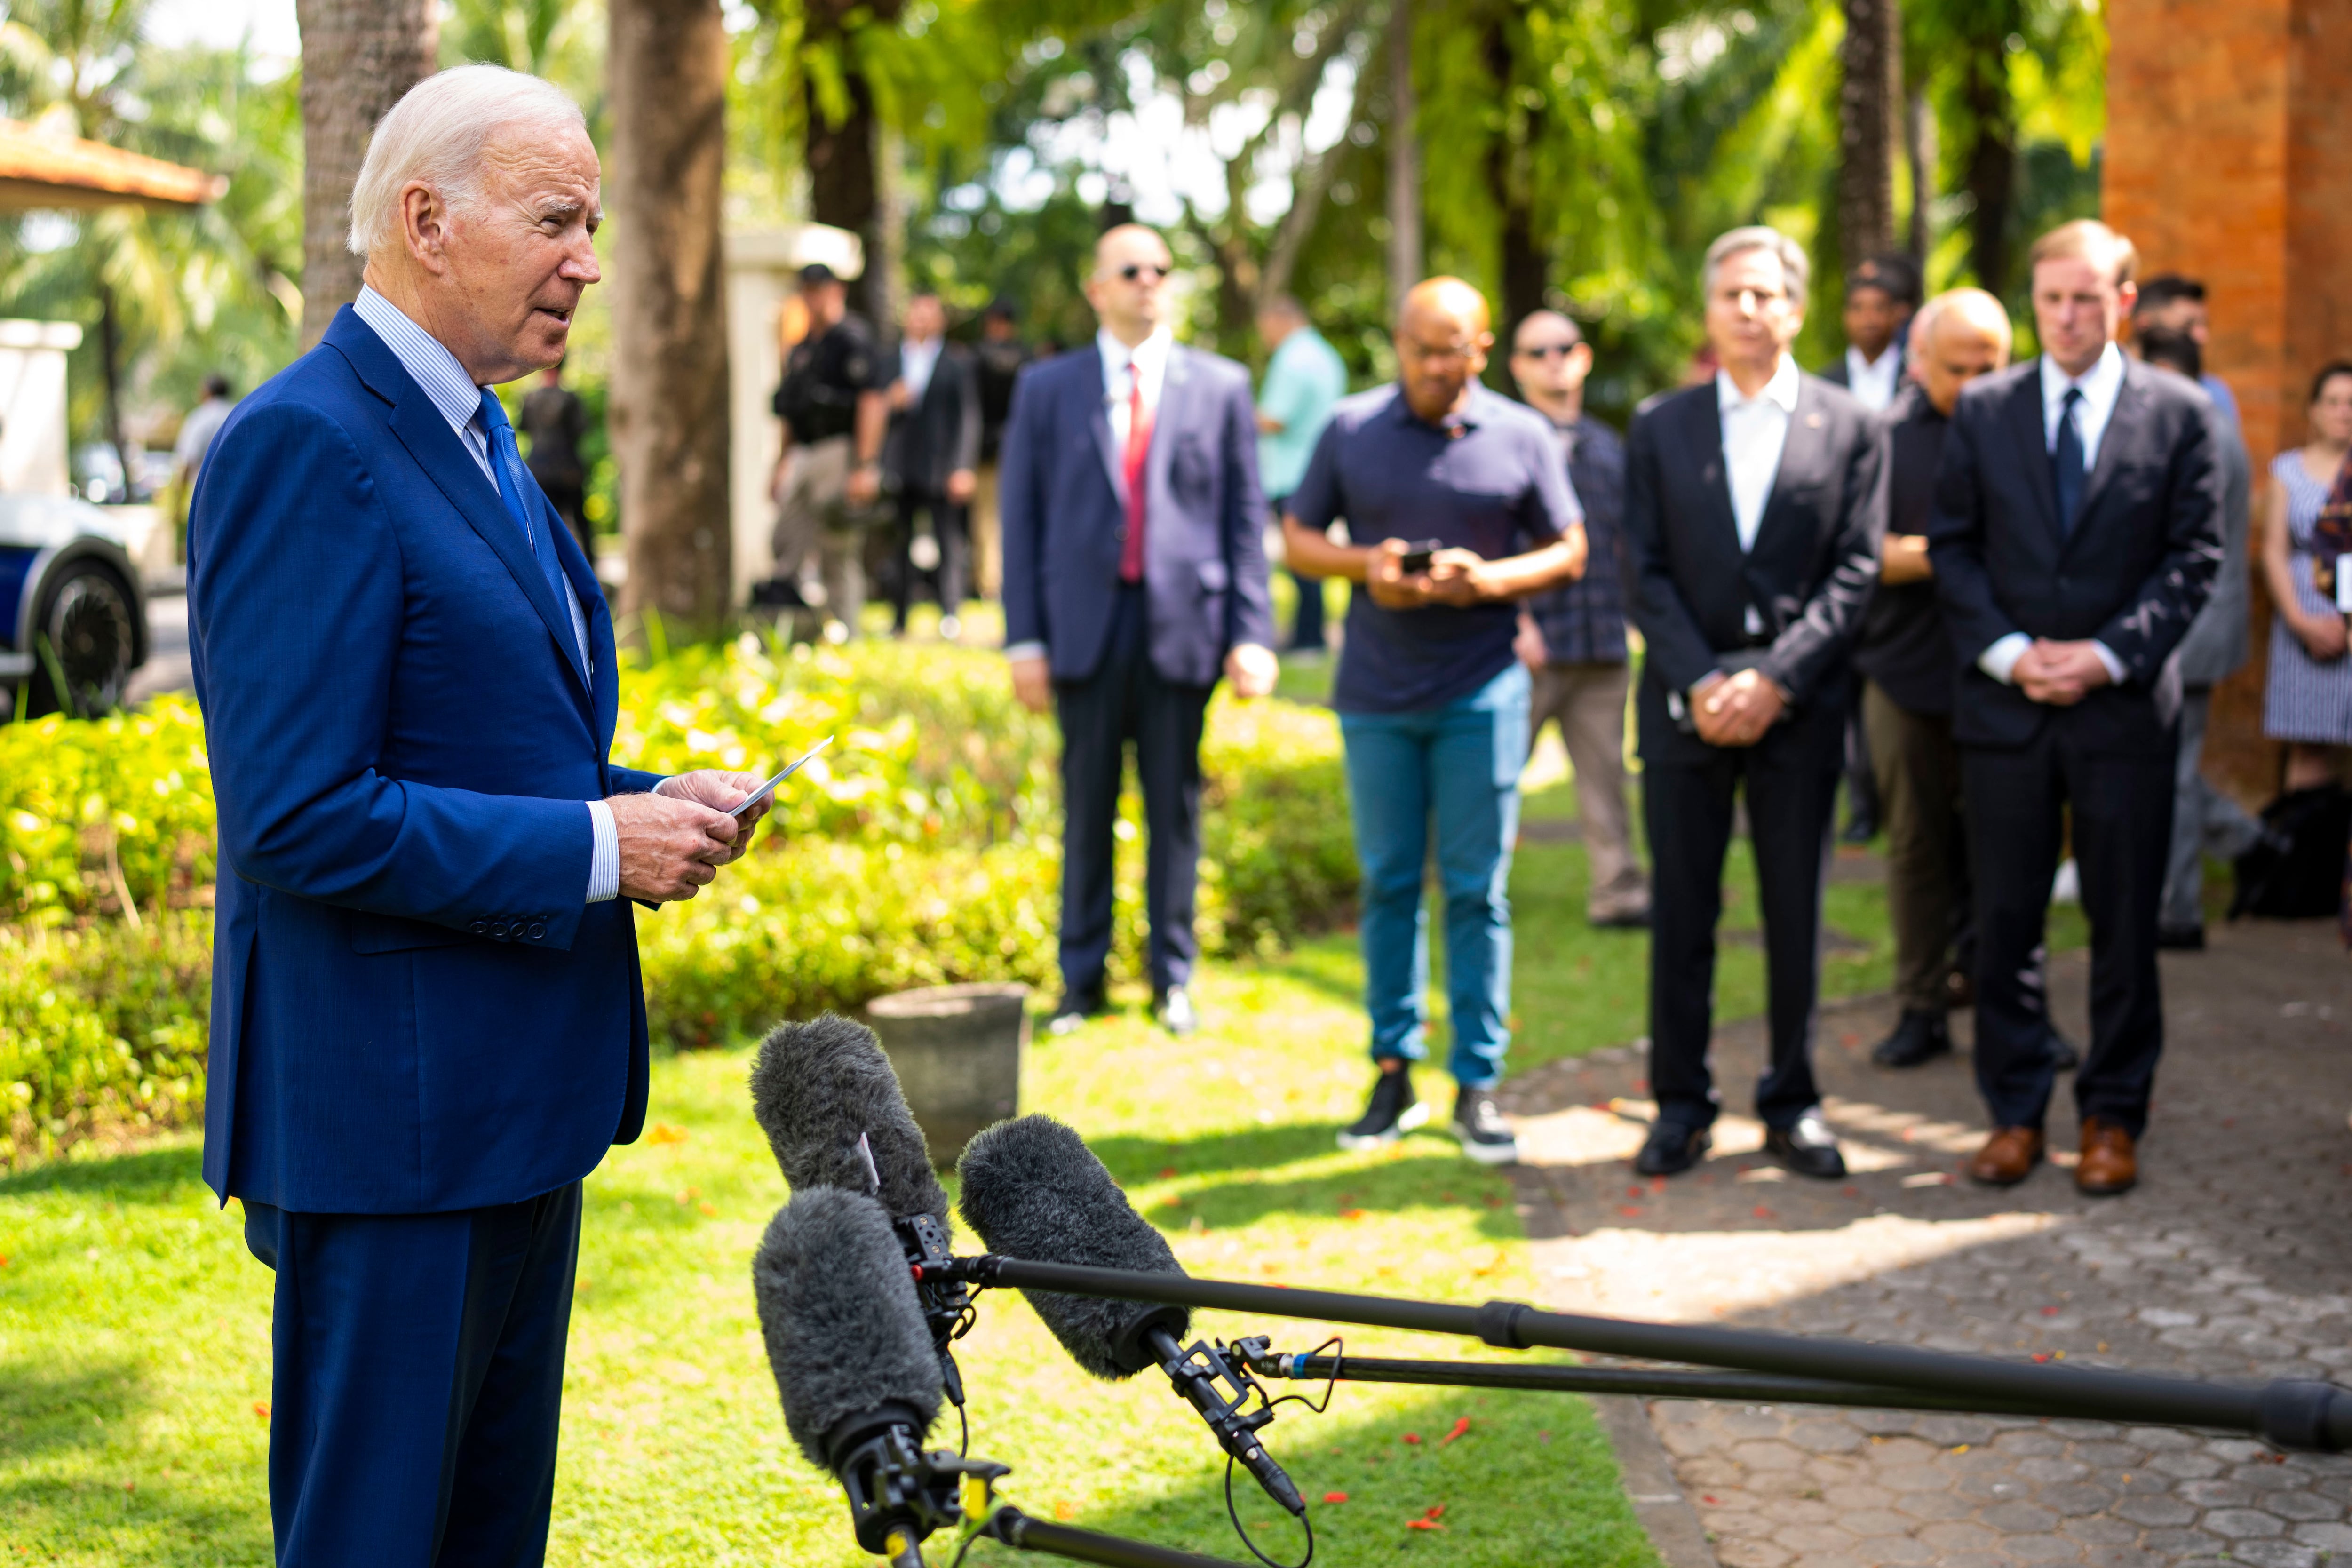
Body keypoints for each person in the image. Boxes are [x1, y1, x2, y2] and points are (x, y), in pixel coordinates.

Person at [185, 66, 769, 1561]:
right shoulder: (305, 444)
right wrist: (596, 851)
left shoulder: (485, 436)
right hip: (392, 1127)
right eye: (556, 219)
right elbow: (298, 812)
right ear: (427, 222)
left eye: (594, 221)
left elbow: (486, 746)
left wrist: (646, 804)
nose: (588, 258)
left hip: (517, 1109)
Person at [1928, 219, 2224, 1196]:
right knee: (2005, 921)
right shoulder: (1982, 409)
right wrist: (2014, 657)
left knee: (2123, 922)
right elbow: (1954, 550)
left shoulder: (2179, 413)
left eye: (2088, 297)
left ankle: (2111, 1115)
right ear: (2033, 301)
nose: (2066, 316)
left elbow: (2194, 560)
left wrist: (2103, 657)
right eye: (2051, 298)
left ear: (2124, 303)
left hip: (2121, 711)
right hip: (2005, 710)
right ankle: (2013, 1114)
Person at [1284, 278, 1589, 1166]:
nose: (1431, 365)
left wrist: (1489, 579)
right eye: (1418, 348)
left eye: (1450, 349)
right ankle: (1393, 1071)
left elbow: (1571, 546)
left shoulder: (1522, 433)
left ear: (1482, 349)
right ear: (1398, 343)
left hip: (1481, 692)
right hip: (1377, 692)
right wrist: (1364, 566)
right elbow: (1298, 536)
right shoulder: (1352, 428)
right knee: (1386, 882)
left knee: (1474, 887)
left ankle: (1478, 1082)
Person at [1622, 226, 1886, 1181]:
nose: (1746, 309)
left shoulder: (1851, 426)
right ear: (1709, 310)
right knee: (1683, 910)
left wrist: (1776, 677)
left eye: (1764, 294)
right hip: (1684, 705)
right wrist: (1701, 680)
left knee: (1794, 912)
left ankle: (1794, 1099)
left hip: (1799, 706)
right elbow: (1640, 571)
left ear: (1795, 308)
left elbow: (1855, 572)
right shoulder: (1659, 426)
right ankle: (1680, 1105)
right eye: (1729, 294)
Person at [998, 224, 1279, 1040]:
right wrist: (1025, 641)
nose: (1148, 281)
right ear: (1098, 289)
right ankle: (1080, 983)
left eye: (1161, 269)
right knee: (1085, 807)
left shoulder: (1221, 386)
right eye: (1131, 270)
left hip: (1181, 630)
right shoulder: (1047, 389)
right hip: (1083, 630)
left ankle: (1174, 979)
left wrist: (1251, 631)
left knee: (1175, 810)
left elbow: (1244, 518)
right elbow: (1022, 519)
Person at [1858, 289, 2012, 1069]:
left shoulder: (2027, 429)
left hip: (2007, 671)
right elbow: (1862, 553)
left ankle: (2010, 1004)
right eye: (1961, 367)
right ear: (1921, 363)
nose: (1979, 380)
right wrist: (1954, 554)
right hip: (1906, 668)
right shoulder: (1884, 435)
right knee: (1917, 847)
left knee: (2005, 844)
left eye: (1993, 363)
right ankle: (1920, 1003)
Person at [1506, 309, 1648, 928]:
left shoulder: (1608, 447)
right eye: (1536, 352)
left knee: (1606, 780)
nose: (1552, 360)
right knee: (1490, 779)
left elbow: (1627, 542)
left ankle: (1619, 894)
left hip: (1601, 642)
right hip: (1528, 644)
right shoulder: (1501, 438)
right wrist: (1517, 624)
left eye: (1563, 348)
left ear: (1584, 357)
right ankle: (1469, 889)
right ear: (1515, 367)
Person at [2135, 324, 2262, 949]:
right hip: (2205, 622)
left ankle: (2178, 908)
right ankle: (2250, 839)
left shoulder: (2195, 431)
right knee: (2173, 764)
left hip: (2193, 626)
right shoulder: (2219, 426)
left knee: (2175, 771)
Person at [771, 262, 890, 637]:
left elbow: (873, 401)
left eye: (819, 288)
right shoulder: (803, 346)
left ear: (836, 290)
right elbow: (791, 412)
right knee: (785, 540)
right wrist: (779, 463)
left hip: (840, 449)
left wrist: (865, 465)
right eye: (807, 289)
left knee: (838, 544)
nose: (813, 295)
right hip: (804, 452)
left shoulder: (852, 338)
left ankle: (847, 631)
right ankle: (797, 628)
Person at [2258, 361, 2352, 786]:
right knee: (2308, 744)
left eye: (2351, 403)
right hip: (2303, 617)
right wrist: (2300, 620)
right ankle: (2306, 849)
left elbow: (2345, 553)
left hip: (2346, 614)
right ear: (2314, 410)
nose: (2342, 411)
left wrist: (2347, 622)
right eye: (2332, 402)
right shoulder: (2288, 471)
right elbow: (2274, 550)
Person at [881, 292, 981, 638]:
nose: (922, 321)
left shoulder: (956, 362)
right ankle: (899, 617)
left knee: (948, 541)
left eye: (929, 315)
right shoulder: (891, 360)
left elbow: (969, 417)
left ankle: (950, 612)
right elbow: (870, 411)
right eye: (916, 314)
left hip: (941, 467)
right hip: (901, 465)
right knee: (899, 543)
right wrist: (888, 403)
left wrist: (963, 466)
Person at [1255, 294, 1349, 653]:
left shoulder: (1292, 358)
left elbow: (1274, 417)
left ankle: (1308, 639)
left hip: (1291, 472)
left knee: (1300, 557)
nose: (1267, 338)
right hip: (1318, 468)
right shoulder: (1325, 355)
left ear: (1281, 320)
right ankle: (1310, 634)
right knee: (1309, 554)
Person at [971, 298, 1029, 600]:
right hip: (1013, 446)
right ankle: (998, 583)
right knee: (1004, 518)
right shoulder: (1026, 357)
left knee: (988, 520)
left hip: (988, 449)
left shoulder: (978, 357)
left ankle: (991, 585)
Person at [2133, 274, 2242, 433]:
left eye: (2204, 325)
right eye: (2187, 325)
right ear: (2144, 323)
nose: (2201, 337)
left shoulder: (2214, 393)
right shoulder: (2107, 386)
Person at [1817, 254, 1921, 414]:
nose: (1868, 319)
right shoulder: (1825, 384)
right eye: (1858, 308)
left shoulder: (1917, 378)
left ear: (1895, 314)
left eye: (1879, 308)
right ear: (1845, 316)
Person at [520, 357, 591, 558]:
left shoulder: (530, 399)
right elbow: (580, 430)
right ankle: (590, 571)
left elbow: (524, 427)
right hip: (568, 469)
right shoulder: (570, 399)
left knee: (542, 526)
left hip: (539, 469)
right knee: (581, 523)